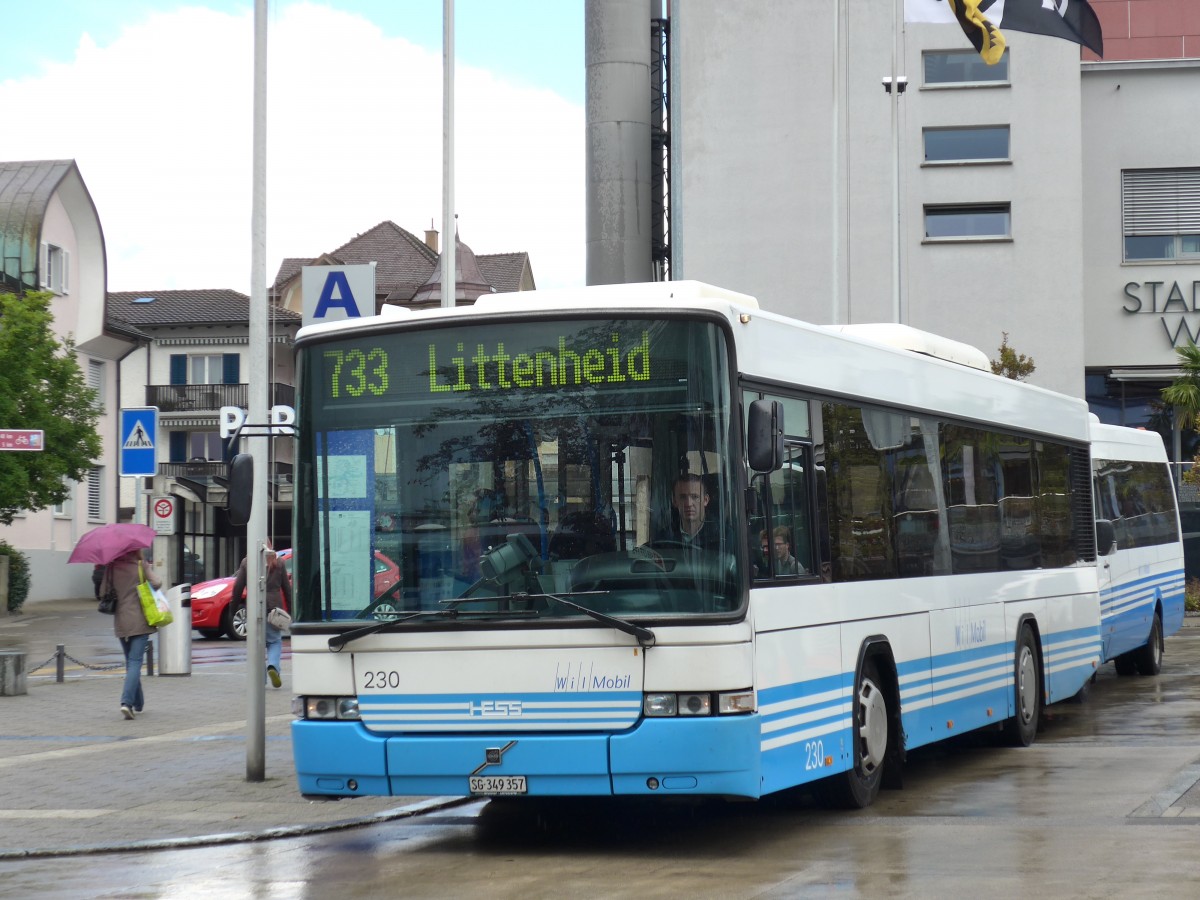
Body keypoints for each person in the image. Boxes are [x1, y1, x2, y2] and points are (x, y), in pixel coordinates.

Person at [99, 549, 161, 720]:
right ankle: (126, 703)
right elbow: (157, 583)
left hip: (121, 622)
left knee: (131, 663)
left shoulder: (111, 568)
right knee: (135, 663)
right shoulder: (141, 565)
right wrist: (147, 572)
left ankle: (138, 703)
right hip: (140, 620)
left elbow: (103, 593)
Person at [232, 540, 293, 689]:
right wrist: (291, 609)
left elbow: (238, 587)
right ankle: (273, 666)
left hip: (254, 607)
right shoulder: (279, 562)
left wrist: (233, 609)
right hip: (273, 608)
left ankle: (261, 679)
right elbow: (286, 587)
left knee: (257, 644)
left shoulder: (247, 562)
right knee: (274, 641)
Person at [653, 473, 724, 551]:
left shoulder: (723, 536)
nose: (689, 504)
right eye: (683, 497)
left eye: (695, 497)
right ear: (674, 501)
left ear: (705, 500)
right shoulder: (663, 538)